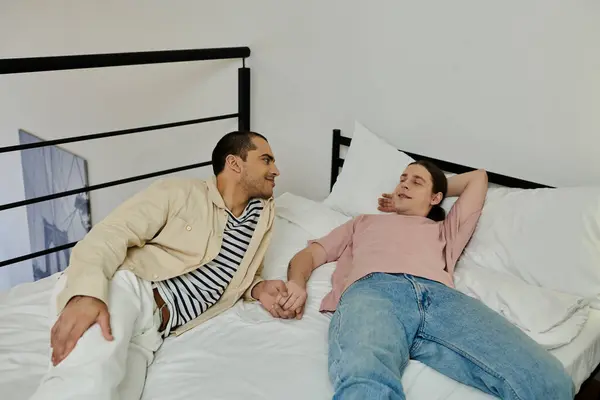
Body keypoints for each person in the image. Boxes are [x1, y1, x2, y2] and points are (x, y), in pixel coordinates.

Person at [30, 131, 298, 400]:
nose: (275, 170)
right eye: (266, 160)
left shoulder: (261, 218)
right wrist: (87, 293)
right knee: (84, 386)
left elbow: (236, 273)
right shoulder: (179, 193)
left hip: (154, 333)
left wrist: (258, 288)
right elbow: (109, 234)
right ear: (235, 164)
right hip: (128, 289)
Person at [282, 160, 574, 400]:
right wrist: (296, 283)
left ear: (436, 197)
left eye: (416, 181)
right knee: (366, 382)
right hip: (372, 292)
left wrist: (437, 188)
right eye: (401, 179)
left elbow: (478, 178)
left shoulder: (446, 230)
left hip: (441, 298)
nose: (404, 183)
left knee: (548, 381)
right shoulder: (363, 222)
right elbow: (309, 256)